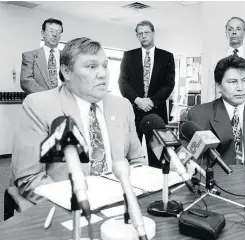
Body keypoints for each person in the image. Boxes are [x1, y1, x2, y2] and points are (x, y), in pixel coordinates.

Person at [12, 37, 146, 204]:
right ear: (67, 72)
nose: (103, 74)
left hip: (122, 201)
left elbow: (137, 161)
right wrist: (79, 205)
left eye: (105, 66)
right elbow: (30, 179)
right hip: (70, 205)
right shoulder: (39, 106)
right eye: (91, 67)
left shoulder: (122, 105)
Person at [119, 20, 175, 168]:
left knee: (158, 153)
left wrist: (151, 101)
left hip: (156, 113)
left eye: (147, 32)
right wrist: (138, 100)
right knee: (130, 153)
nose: (144, 36)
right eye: (140, 33)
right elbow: (123, 83)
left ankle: (159, 186)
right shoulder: (129, 56)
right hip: (133, 111)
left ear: (153, 33)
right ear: (137, 36)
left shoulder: (167, 56)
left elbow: (169, 84)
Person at [202, 16, 245, 104]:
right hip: (222, 109)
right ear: (226, 33)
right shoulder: (215, 59)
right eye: (230, 29)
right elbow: (211, 88)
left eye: (238, 29)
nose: (234, 32)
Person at [21, 18, 64, 94]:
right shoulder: (30, 56)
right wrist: (49, 96)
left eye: (58, 32)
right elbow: (26, 81)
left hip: (64, 100)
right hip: (40, 101)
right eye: (51, 31)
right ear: (42, 33)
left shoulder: (67, 56)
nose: (54, 34)